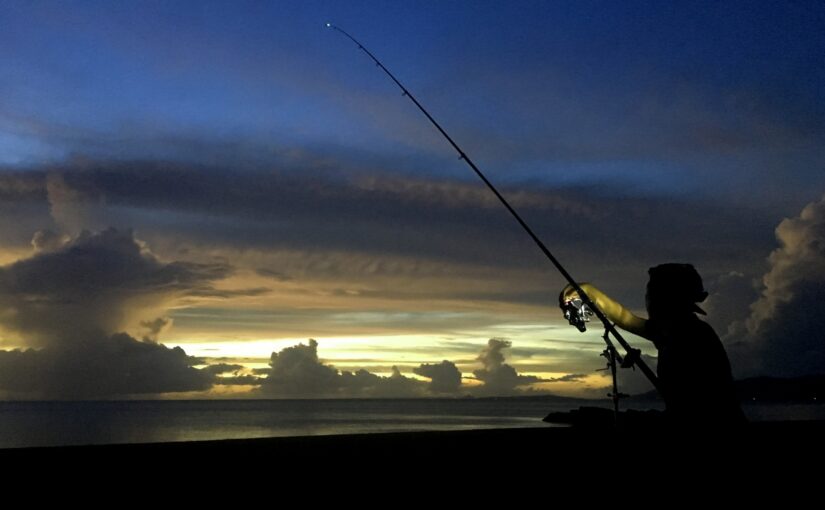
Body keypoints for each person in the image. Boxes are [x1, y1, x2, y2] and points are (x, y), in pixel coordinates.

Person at [560, 263, 746, 426]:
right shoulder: (673, 329)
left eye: (652, 295)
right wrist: (587, 290)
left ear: (668, 299)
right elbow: (624, 318)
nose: (648, 302)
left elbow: (698, 407)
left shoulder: (690, 334)